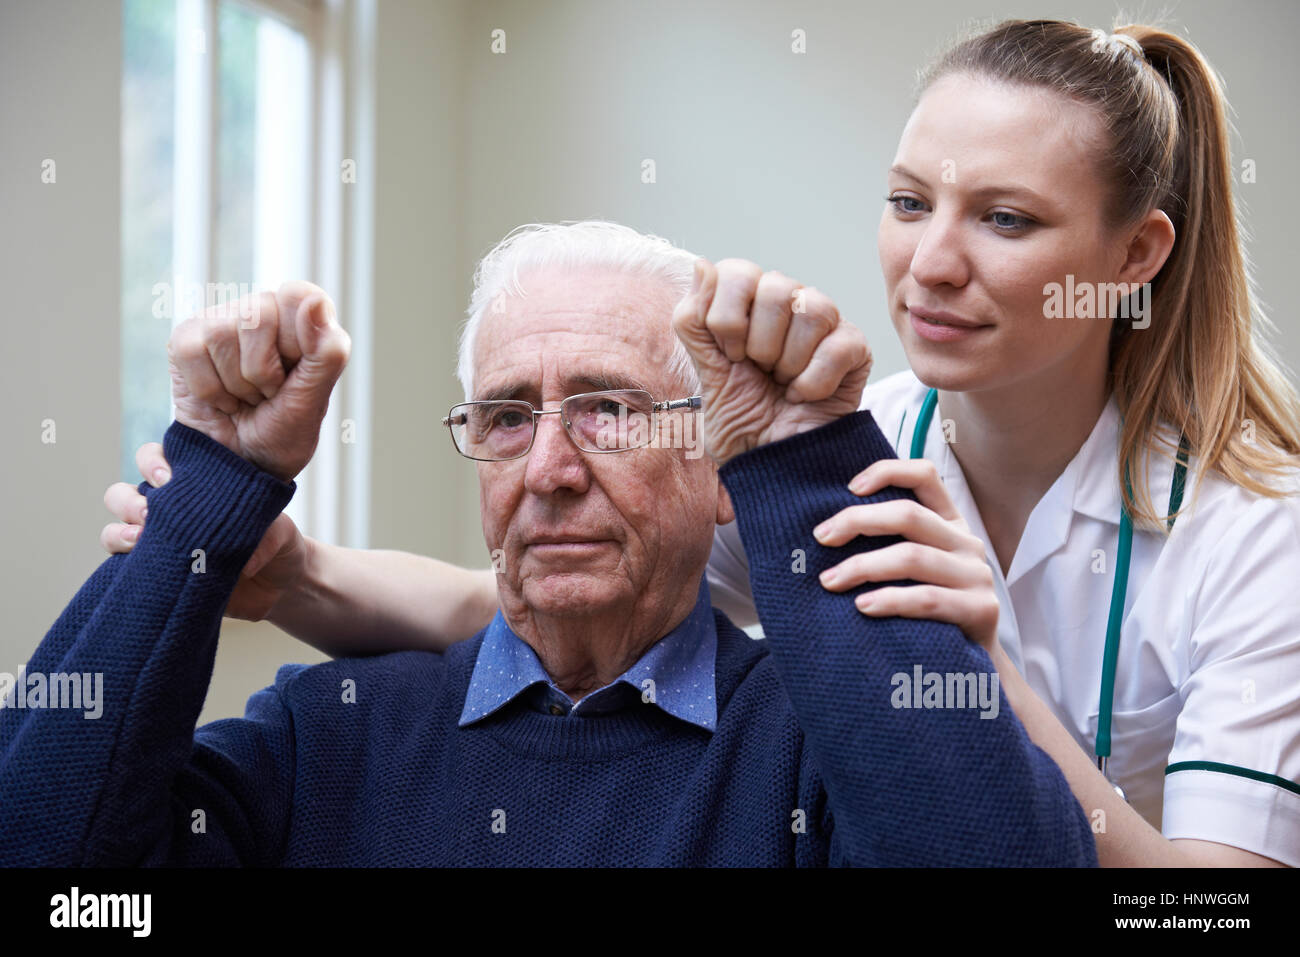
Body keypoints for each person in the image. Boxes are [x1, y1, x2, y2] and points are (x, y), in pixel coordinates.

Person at [101, 18, 1300, 867]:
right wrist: (284, 572)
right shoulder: (837, 450)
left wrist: (969, 669)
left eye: (1005, 218)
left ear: (1135, 257)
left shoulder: (1258, 531)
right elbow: (522, 598)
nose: (930, 262)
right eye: (905, 202)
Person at [0, 228, 1097, 866]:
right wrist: (213, 484)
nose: (550, 469)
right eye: (508, 416)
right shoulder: (326, 734)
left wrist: (802, 469)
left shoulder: (821, 747)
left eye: (611, 409)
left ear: (721, 470)